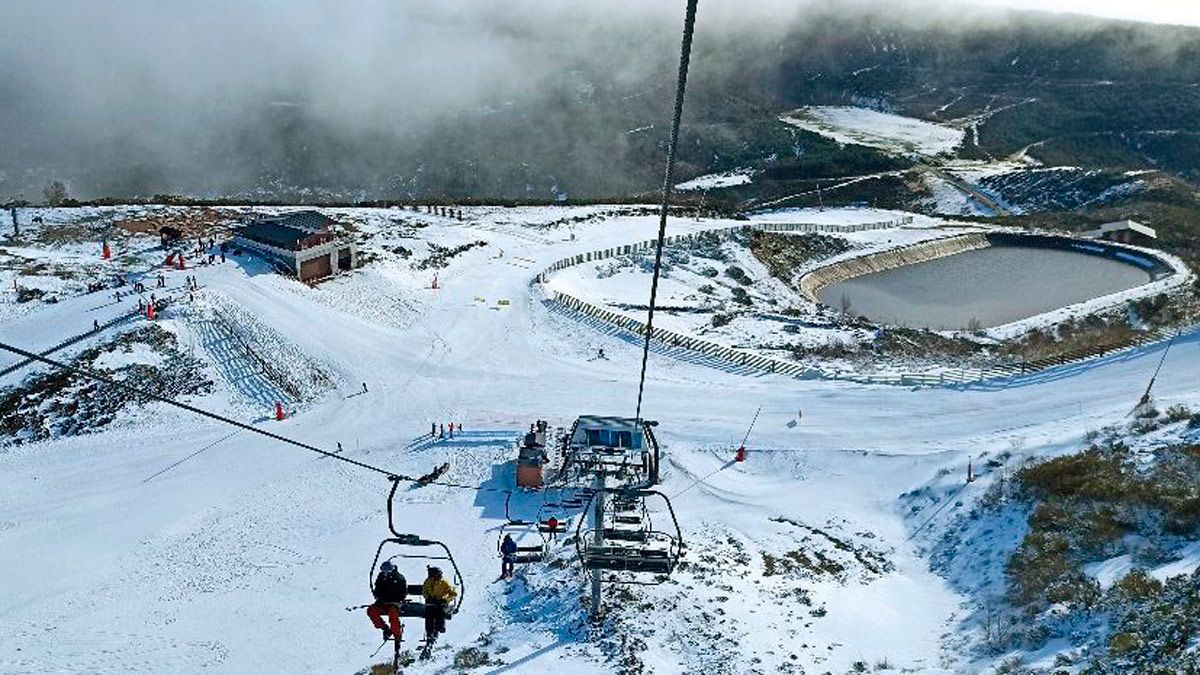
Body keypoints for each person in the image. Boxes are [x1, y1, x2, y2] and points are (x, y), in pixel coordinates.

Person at [367, 561, 407, 641]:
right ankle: (385, 628)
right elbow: (377, 588)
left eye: (387, 571)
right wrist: (378, 597)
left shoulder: (399, 578)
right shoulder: (381, 577)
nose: (385, 573)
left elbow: (403, 593)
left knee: (393, 613)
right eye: (383, 571)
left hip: (394, 603)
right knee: (371, 610)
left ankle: (397, 634)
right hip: (383, 603)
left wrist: (396, 599)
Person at [421, 566, 457, 639]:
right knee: (429, 613)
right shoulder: (428, 581)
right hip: (431, 602)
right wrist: (428, 597)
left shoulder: (444, 583)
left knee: (440, 611)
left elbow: (453, 593)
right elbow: (424, 591)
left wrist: (446, 599)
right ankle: (429, 632)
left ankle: (440, 627)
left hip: (441, 602)